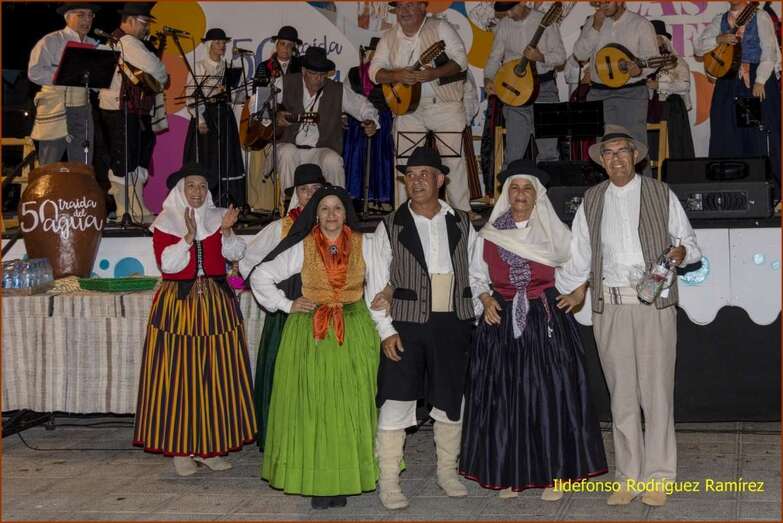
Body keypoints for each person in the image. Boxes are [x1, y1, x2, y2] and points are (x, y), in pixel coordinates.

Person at [556, 125, 702, 507]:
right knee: (621, 395)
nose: (616, 158)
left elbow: (690, 243)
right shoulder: (591, 200)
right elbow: (579, 257)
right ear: (601, 161)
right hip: (612, 307)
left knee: (656, 394)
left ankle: (659, 476)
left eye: (623, 151)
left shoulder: (660, 193)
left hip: (655, 305)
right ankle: (627, 476)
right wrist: (571, 289)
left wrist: (680, 254)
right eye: (608, 153)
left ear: (636, 156)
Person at [459, 160, 608, 500]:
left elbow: (580, 265)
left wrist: (577, 292)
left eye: (527, 188)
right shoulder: (488, 234)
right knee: (506, 398)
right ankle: (511, 473)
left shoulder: (556, 233)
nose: (520, 194)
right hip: (501, 324)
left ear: (537, 195)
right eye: (514, 188)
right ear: (506, 194)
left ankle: (555, 474)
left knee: (548, 397)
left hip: (545, 321)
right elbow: (476, 275)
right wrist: (485, 298)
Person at [249, 185, 386, 509]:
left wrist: (383, 327)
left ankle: (345, 476)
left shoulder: (367, 245)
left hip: (353, 330)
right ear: (315, 214)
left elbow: (379, 287)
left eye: (337, 208)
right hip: (310, 334)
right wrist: (285, 304)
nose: (331, 215)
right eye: (324, 209)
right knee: (314, 408)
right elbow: (260, 275)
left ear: (346, 212)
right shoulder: (304, 246)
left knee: (349, 408)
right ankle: (318, 480)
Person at [370, 147, 487, 510]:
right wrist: (386, 330)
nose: (417, 180)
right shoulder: (389, 225)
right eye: (411, 174)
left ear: (440, 179)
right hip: (406, 323)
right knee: (396, 399)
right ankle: (389, 481)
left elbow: (477, 272)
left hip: (452, 322)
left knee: (451, 400)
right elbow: (375, 283)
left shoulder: (463, 222)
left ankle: (447, 472)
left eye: (426, 173)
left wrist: (474, 313)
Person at [133, 162, 257, 476]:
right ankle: (181, 449)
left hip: (215, 303)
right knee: (179, 376)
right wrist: (188, 237)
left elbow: (235, 253)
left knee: (216, 374)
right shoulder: (166, 222)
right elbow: (169, 265)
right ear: (180, 190)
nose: (198, 192)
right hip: (179, 305)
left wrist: (227, 230)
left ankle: (210, 446)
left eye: (202, 186)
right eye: (191, 186)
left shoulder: (218, 218)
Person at [239, 163, 325, 450]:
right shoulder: (280, 227)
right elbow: (248, 261)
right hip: (289, 313)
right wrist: (277, 299)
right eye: (304, 190)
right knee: (283, 376)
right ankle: (282, 437)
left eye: (315, 189)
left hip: (326, 312)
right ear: (296, 195)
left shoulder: (336, 224)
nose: (310, 195)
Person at [370, 1, 474, 215]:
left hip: (444, 106)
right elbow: (374, 72)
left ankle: (461, 213)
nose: (404, 11)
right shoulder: (389, 37)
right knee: (405, 162)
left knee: (453, 160)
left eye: (410, 6)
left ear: (422, 8)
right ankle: (403, 213)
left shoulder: (440, 28)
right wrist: (397, 75)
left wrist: (433, 74)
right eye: (400, 7)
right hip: (407, 109)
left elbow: (461, 61)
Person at [695, 0, 781, 193]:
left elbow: (770, 51)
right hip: (729, 81)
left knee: (759, 134)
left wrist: (760, 80)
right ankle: (729, 188)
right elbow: (699, 47)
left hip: (756, 79)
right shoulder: (720, 20)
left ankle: (768, 190)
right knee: (727, 132)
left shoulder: (759, 16)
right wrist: (719, 39)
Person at [275, 46, 379, 196]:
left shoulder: (337, 90)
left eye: (322, 74)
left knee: (333, 161)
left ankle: (338, 206)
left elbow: (364, 106)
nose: (318, 78)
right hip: (289, 143)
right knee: (287, 153)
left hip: (321, 148)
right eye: (313, 73)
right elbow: (258, 105)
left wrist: (371, 120)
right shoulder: (285, 83)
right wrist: (275, 115)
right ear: (303, 71)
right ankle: (290, 209)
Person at [99, 2, 168, 222]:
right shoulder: (127, 42)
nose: (146, 28)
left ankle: (135, 206)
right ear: (128, 21)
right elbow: (159, 71)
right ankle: (124, 210)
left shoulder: (121, 41)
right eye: (143, 22)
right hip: (122, 110)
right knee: (125, 159)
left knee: (135, 158)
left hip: (131, 110)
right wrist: (160, 72)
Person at [573, 1, 659, 175]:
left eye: (607, 2)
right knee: (604, 148)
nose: (602, 5)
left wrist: (640, 70)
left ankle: (645, 196)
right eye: (600, 2)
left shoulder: (640, 24)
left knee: (636, 146)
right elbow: (580, 54)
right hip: (598, 92)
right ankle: (608, 195)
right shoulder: (593, 22)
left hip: (632, 93)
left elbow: (653, 59)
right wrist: (595, 28)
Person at [484, 1, 566, 166]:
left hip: (544, 89)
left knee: (548, 153)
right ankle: (509, 190)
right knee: (513, 154)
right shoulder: (503, 25)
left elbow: (561, 56)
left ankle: (548, 191)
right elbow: (494, 57)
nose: (508, 14)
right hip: (514, 91)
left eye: (511, 9)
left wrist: (541, 57)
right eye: (505, 11)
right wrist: (488, 79)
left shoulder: (545, 21)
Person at [27, 2, 99, 165]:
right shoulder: (50, 41)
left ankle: (81, 191)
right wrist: (64, 75)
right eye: (81, 15)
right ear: (67, 17)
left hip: (83, 109)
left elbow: (97, 82)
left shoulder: (94, 44)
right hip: (56, 106)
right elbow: (34, 72)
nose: (86, 20)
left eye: (90, 15)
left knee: (83, 164)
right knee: (49, 163)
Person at [183, 28, 246, 208]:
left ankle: (227, 201)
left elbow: (237, 97)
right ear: (210, 45)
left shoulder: (228, 69)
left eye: (223, 43)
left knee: (226, 159)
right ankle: (205, 200)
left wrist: (231, 92)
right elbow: (191, 95)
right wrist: (200, 120)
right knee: (207, 159)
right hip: (206, 117)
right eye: (218, 43)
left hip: (224, 118)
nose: (222, 47)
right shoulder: (199, 67)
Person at [246, 25, 302, 212]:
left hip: (295, 121)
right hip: (270, 120)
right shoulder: (265, 67)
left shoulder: (300, 66)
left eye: (289, 45)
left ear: (293, 47)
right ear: (277, 45)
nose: (285, 49)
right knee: (262, 149)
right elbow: (257, 96)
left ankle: (289, 204)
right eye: (282, 44)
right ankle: (264, 205)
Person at [344, 37, 394, 205]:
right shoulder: (354, 73)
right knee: (358, 154)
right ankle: (356, 196)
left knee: (383, 158)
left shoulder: (392, 75)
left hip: (384, 121)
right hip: (358, 122)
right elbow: (347, 97)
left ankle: (381, 198)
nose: (375, 55)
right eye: (373, 52)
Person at [647, 20, 694, 160]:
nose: (654, 42)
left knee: (674, 144)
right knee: (654, 145)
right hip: (653, 110)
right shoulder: (646, 65)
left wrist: (659, 85)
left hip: (672, 109)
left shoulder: (677, 61)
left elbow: (685, 85)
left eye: (657, 38)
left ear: (664, 40)